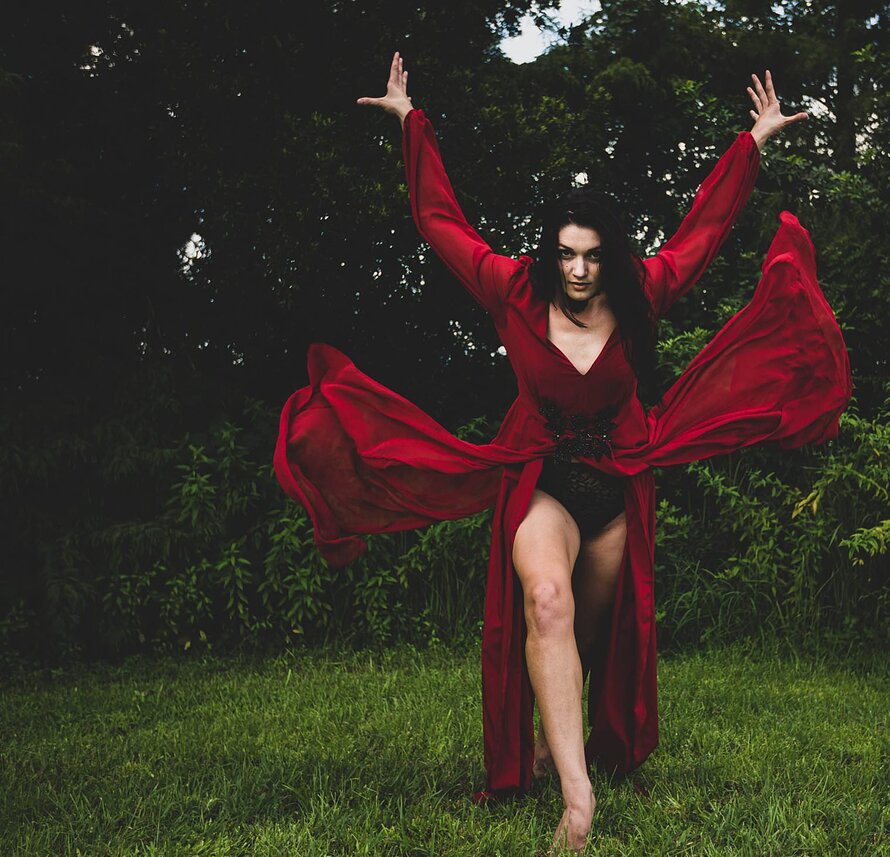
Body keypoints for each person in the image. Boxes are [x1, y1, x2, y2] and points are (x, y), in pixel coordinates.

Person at [276, 53, 852, 851]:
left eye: (591, 255)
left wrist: (752, 141)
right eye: (565, 254)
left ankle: (563, 748)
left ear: (607, 253)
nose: (578, 271)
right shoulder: (513, 289)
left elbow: (704, 231)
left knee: (589, 637)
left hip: (617, 482)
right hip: (540, 476)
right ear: (549, 252)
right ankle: (576, 803)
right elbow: (442, 223)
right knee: (547, 602)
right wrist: (411, 122)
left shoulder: (643, 291)